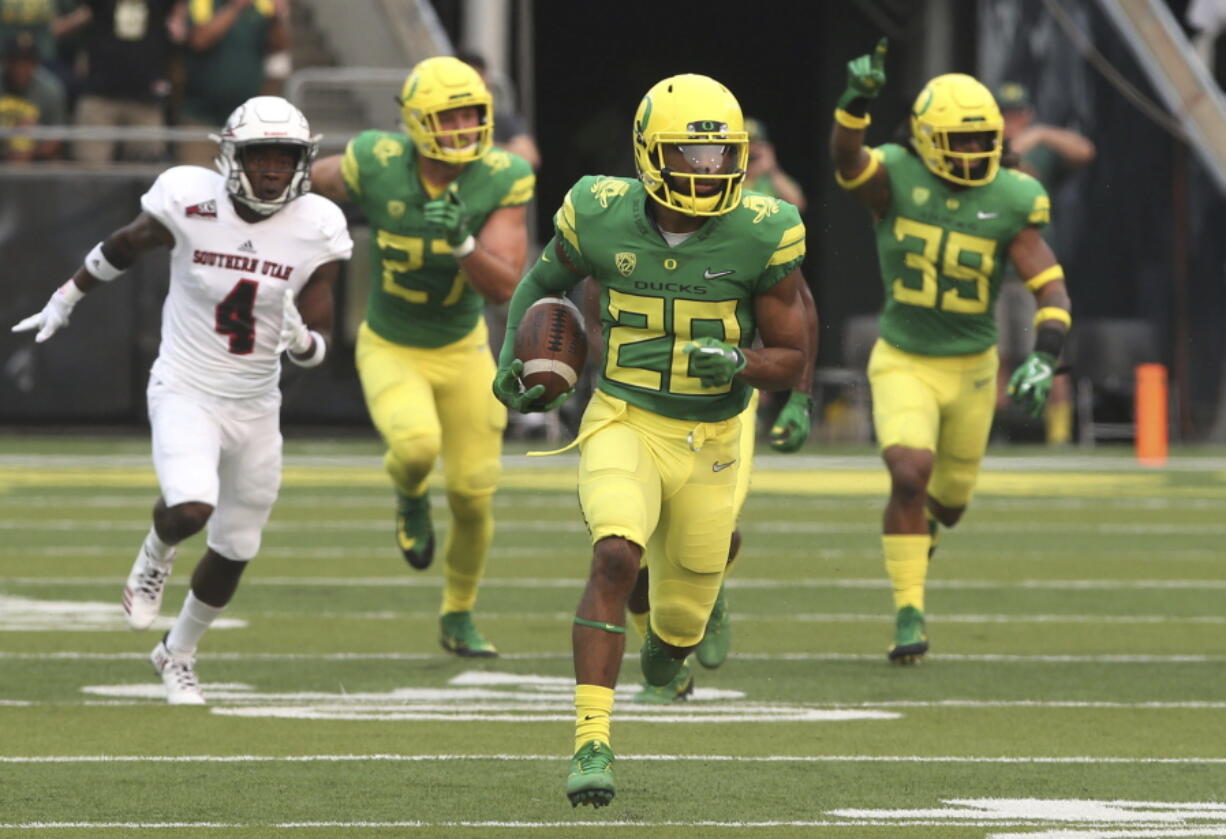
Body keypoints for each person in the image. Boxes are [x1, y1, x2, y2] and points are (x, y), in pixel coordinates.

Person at [492, 73, 809, 806]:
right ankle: (591, 742)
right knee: (614, 553)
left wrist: (742, 360)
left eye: (719, 157)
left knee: (671, 646)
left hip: (715, 431)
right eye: (690, 158)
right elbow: (540, 285)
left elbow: (792, 352)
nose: (707, 174)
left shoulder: (765, 227)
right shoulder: (597, 211)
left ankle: (684, 625)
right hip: (625, 415)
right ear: (647, 152)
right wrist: (512, 360)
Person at [10, 96, 352, 703]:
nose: (273, 168)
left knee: (237, 546)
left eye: (285, 156)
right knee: (192, 507)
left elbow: (320, 343)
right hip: (186, 387)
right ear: (231, 157)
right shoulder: (190, 199)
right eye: (260, 155)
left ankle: (178, 652)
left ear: (303, 162)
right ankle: (156, 549)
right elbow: (125, 243)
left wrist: (303, 343)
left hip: (256, 403)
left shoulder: (317, 224)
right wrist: (65, 299)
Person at [830, 40, 1072, 664]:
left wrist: (1046, 354)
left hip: (972, 368)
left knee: (951, 505)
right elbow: (847, 160)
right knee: (908, 474)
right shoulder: (896, 176)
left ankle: (922, 535)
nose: (972, 150)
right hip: (905, 357)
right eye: (959, 139)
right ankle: (909, 610)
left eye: (980, 138)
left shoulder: (1013, 196)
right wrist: (854, 106)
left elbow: (1049, 284)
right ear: (927, 137)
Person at [309, 55, 534, 658]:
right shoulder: (375, 161)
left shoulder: (502, 176)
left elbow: (506, 285)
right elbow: (302, 181)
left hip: (462, 348)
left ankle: (458, 614)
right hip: (392, 343)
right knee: (414, 447)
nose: (464, 127)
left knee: (472, 491)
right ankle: (409, 495)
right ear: (415, 122)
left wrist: (462, 240)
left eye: (472, 113)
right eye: (450, 116)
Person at [624, 279, 818, 704]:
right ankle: (670, 671)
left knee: (715, 530)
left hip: (723, 402)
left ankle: (710, 586)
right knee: (624, 544)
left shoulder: (752, 218)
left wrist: (799, 398)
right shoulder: (619, 217)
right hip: (637, 396)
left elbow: (799, 302)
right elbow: (593, 296)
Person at [994, 81, 1095, 446]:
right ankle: (994, 433)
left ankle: (1059, 436)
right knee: (996, 359)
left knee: (1051, 352)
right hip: (993, 271)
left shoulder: (1040, 152)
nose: (1011, 121)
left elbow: (1085, 151)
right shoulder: (982, 148)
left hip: (1034, 272)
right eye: (1005, 115)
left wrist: (1040, 135)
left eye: (1017, 114)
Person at [175, 0, 290, 167]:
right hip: (201, 117)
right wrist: (235, 8)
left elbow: (279, 46)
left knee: (243, 186)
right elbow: (200, 40)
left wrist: (277, 18)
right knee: (198, 184)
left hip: (247, 122)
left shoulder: (262, 5)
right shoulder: (202, 3)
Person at [72, 0, 181, 164]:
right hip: (100, 92)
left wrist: (179, 16)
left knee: (147, 172)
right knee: (89, 171)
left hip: (146, 95)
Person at [456, 49, 541, 171]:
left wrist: (477, 148)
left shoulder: (503, 120)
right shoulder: (438, 118)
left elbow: (530, 158)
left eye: (483, 82)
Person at [0, 32, 68, 161]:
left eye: (26, 62)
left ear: (35, 63)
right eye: (15, 61)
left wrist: (29, 150)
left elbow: (56, 138)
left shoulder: (50, 89)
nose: (20, 68)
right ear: (5, 61)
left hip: (36, 160)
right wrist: (10, 132)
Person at [744, 116, 807, 211]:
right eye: (746, 143)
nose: (750, 149)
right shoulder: (729, 175)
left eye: (755, 143)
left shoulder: (769, 178)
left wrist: (772, 169)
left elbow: (797, 205)